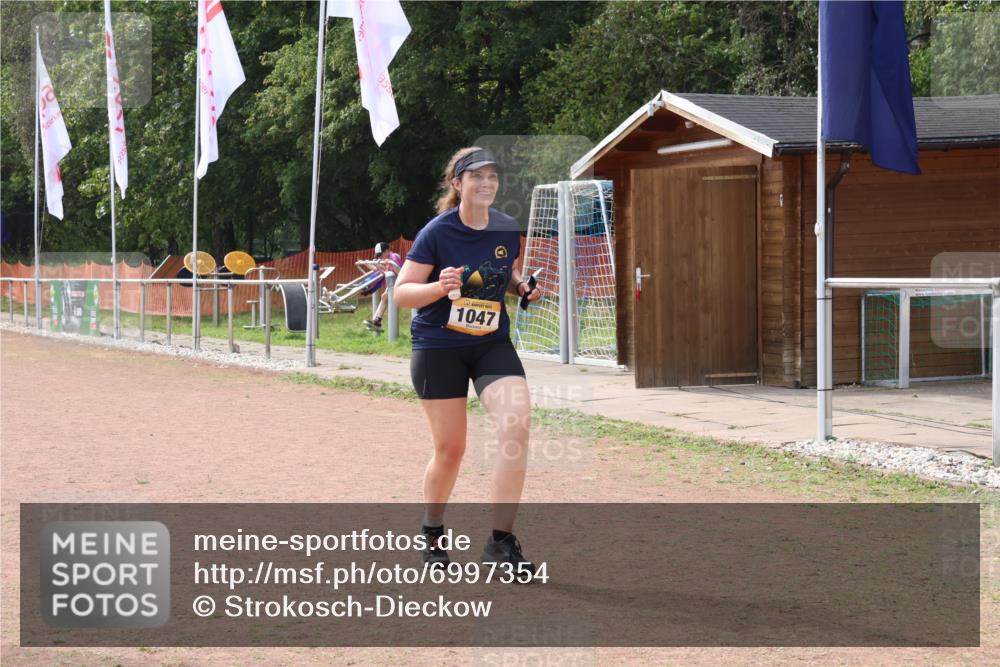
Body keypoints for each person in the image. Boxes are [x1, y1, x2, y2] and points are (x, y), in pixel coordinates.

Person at [394, 147, 541, 572]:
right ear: (457, 184)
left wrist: (521, 287)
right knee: (451, 450)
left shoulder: (507, 228)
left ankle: (500, 544)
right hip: (439, 346)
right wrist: (439, 287)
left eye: (492, 176)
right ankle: (432, 532)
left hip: (490, 343)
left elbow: (505, 275)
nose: (486, 183)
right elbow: (402, 293)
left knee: (516, 425)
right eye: (476, 176)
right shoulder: (436, 232)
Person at [362, 242, 402, 332]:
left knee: (385, 297)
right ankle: (377, 321)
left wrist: (389, 264)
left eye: (381, 255)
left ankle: (377, 321)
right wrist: (370, 265)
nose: (380, 257)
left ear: (387, 251)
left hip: (400, 284)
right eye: (378, 255)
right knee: (384, 297)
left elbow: (399, 273)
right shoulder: (387, 259)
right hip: (393, 284)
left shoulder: (394, 258)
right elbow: (383, 271)